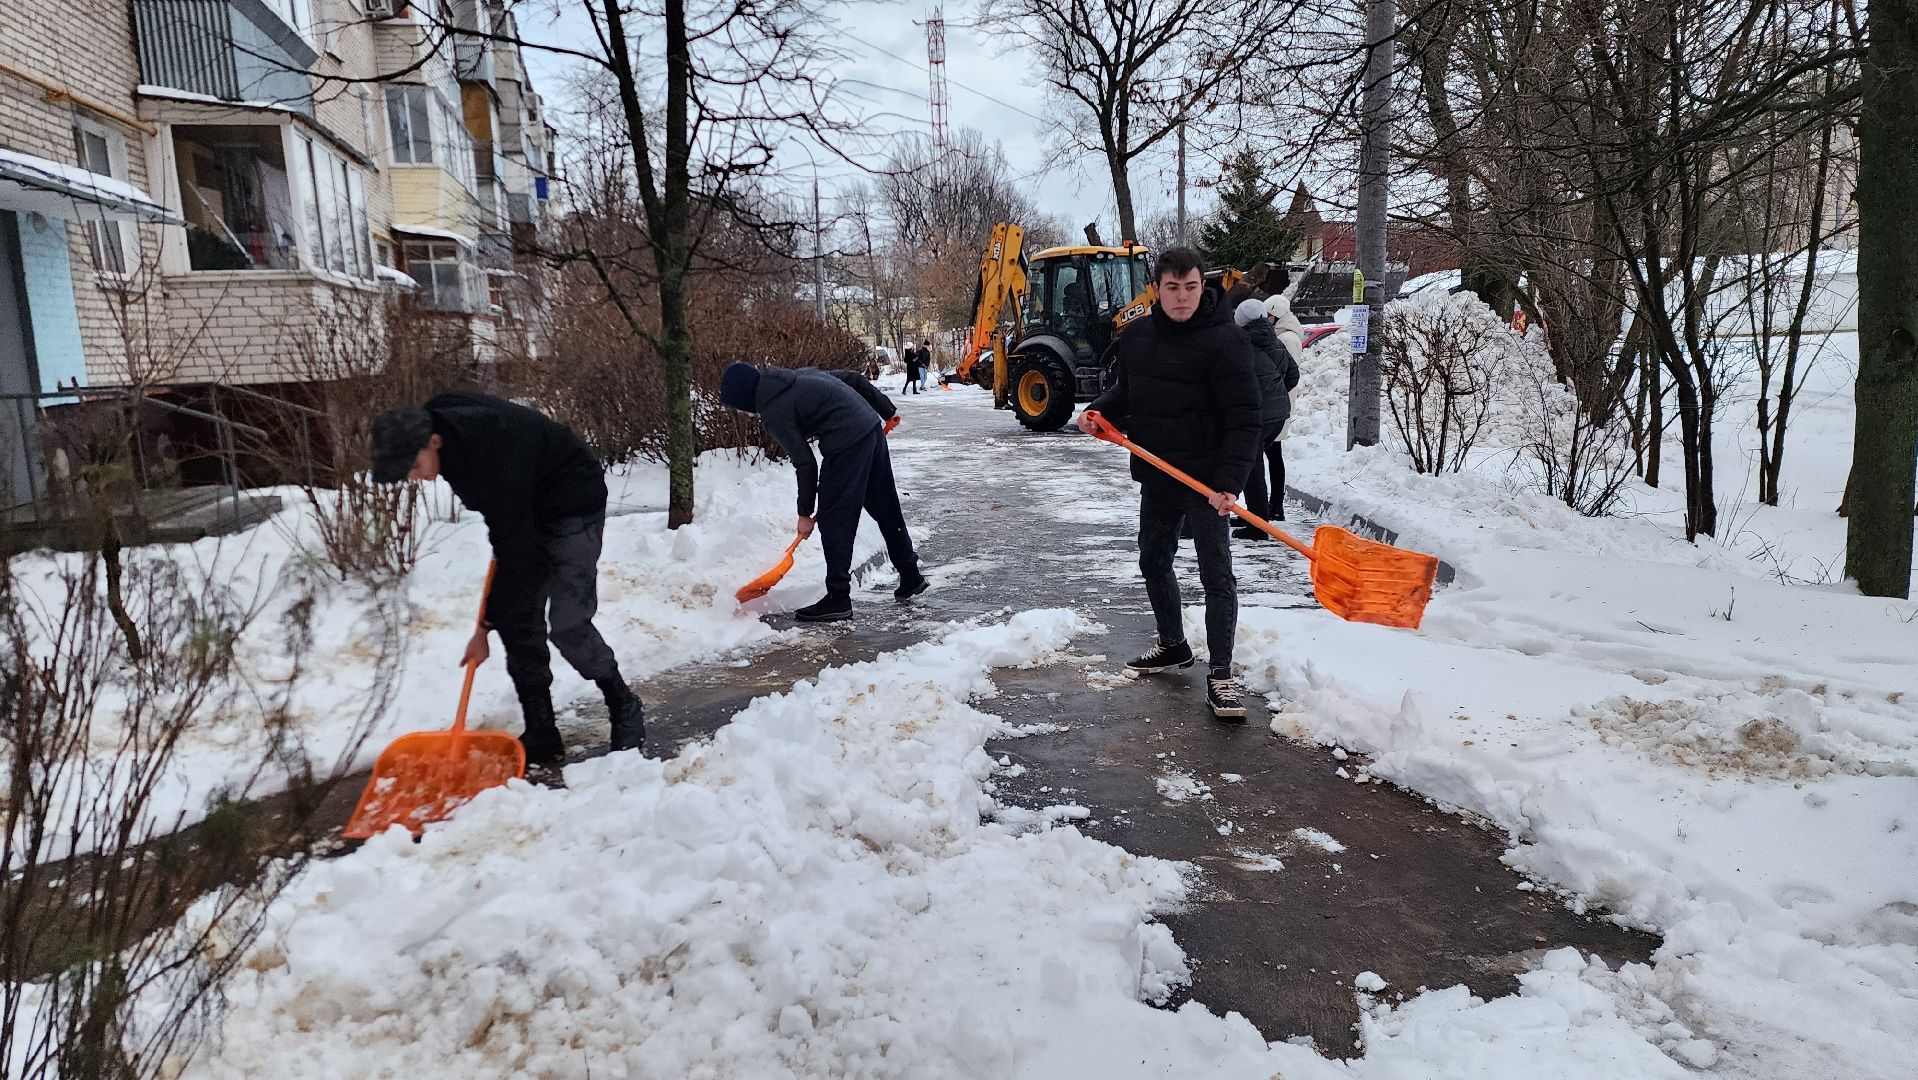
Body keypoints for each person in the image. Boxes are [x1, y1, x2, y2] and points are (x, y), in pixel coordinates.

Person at [371, 393, 644, 765]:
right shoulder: (442, 428)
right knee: (517, 617)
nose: (412, 476)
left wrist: (485, 626)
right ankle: (541, 731)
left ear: (433, 442)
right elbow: (510, 537)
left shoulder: (484, 456)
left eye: (413, 465)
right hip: (523, 504)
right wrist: (494, 621)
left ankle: (623, 703)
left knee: (568, 623)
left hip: (572, 500)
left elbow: (516, 552)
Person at [1078, 247, 1262, 719]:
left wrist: (1229, 483)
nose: (1182, 297)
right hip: (1159, 472)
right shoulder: (1138, 337)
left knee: (1215, 575)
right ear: (1156, 289)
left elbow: (1245, 418)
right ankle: (1173, 644)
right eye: (1172, 288)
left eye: (1191, 287)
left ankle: (1220, 674)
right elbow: (1127, 391)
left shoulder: (1227, 341)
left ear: (1203, 287)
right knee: (1154, 560)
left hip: (1207, 481)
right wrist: (1099, 411)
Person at [720, 363, 926, 621]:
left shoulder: (774, 411)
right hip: (869, 427)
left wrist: (804, 513)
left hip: (847, 442)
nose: (743, 413)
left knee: (834, 520)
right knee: (886, 507)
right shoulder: (796, 376)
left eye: (739, 407)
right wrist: (886, 409)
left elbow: (805, 463)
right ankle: (910, 574)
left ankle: (838, 598)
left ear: (743, 397)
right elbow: (853, 378)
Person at [1232, 297, 1298, 535]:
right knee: (1253, 464)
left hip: (1256, 417)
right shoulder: (1275, 341)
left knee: (1252, 469)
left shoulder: (1242, 346)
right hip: (1277, 416)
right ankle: (1254, 517)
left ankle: (1258, 525)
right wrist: (1276, 394)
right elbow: (1293, 375)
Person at [1260, 292, 1307, 520]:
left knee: (1273, 456)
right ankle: (1271, 505)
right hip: (1279, 403)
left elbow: (1286, 373)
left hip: (1278, 405)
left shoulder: (1287, 339)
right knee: (1273, 455)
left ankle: (1275, 505)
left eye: (1268, 316)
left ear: (1276, 315)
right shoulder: (1285, 335)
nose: (1266, 319)